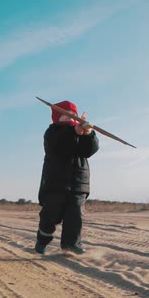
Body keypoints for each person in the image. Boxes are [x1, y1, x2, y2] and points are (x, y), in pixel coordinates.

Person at [35, 100, 99, 255]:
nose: (71, 117)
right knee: (51, 214)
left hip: (78, 183)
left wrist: (88, 134)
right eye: (66, 115)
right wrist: (75, 131)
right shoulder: (52, 132)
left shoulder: (81, 132)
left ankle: (71, 245)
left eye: (74, 115)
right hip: (54, 183)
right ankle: (42, 241)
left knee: (75, 216)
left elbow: (90, 150)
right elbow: (57, 144)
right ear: (57, 117)